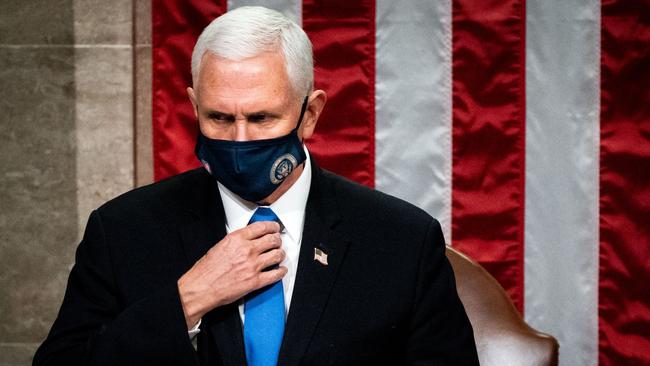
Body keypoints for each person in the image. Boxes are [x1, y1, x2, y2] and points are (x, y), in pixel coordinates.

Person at [34, 6, 478, 366]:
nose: (240, 140)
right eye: (219, 118)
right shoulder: (123, 231)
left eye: (262, 118)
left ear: (310, 114)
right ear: (193, 105)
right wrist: (186, 301)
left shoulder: (401, 239)